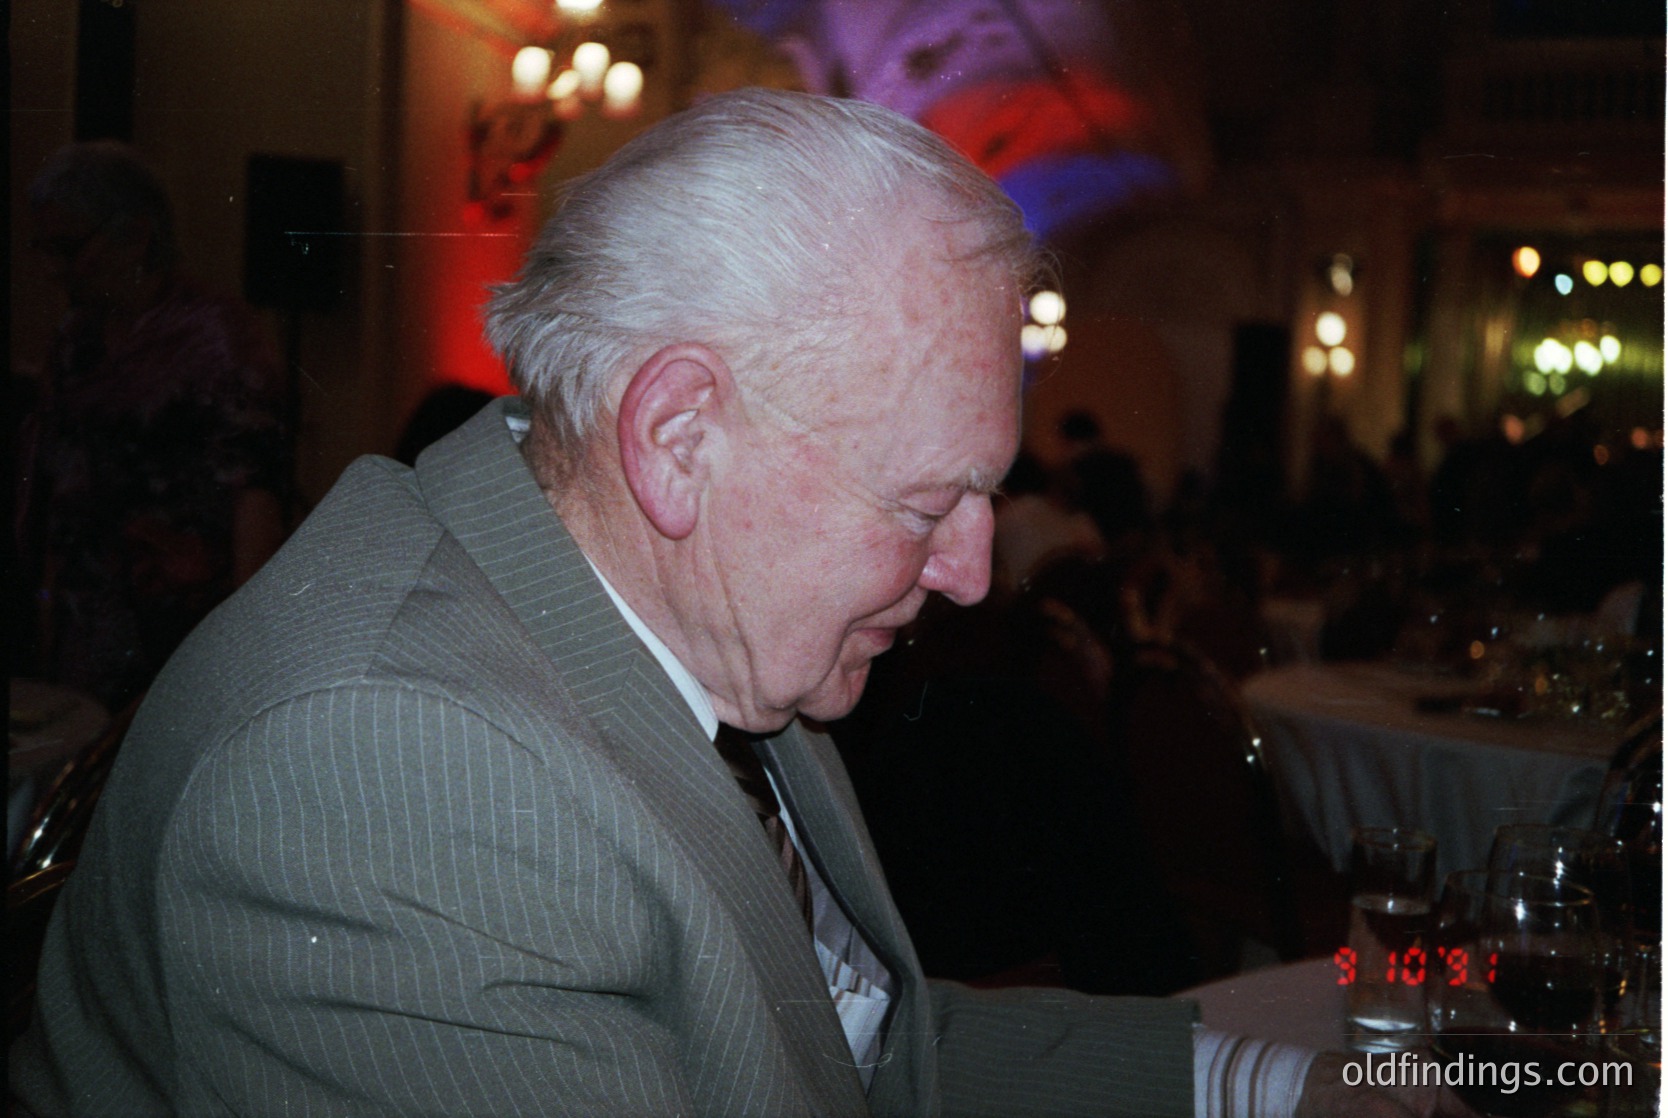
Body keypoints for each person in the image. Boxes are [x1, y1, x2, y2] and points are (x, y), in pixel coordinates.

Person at [11, 91, 1462, 1117]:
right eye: (926, 502)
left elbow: (845, 1043)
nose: (971, 571)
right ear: (679, 434)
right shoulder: (396, 771)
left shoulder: (701, 604)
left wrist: (1276, 1085)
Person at [15, 142, 286, 709]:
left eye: (67, 248)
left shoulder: (216, 339)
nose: (51, 270)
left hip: (175, 631)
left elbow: (256, 494)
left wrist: (244, 654)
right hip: (83, 625)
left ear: (136, 237)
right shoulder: (76, 340)